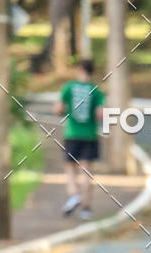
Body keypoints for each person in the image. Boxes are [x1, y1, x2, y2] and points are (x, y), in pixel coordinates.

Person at [54, 59, 104, 220]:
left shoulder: (69, 87)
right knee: (87, 171)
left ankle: (74, 195)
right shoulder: (96, 91)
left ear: (80, 69)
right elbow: (100, 114)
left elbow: (58, 109)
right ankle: (86, 209)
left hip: (72, 134)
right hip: (90, 135)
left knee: (70, 168)